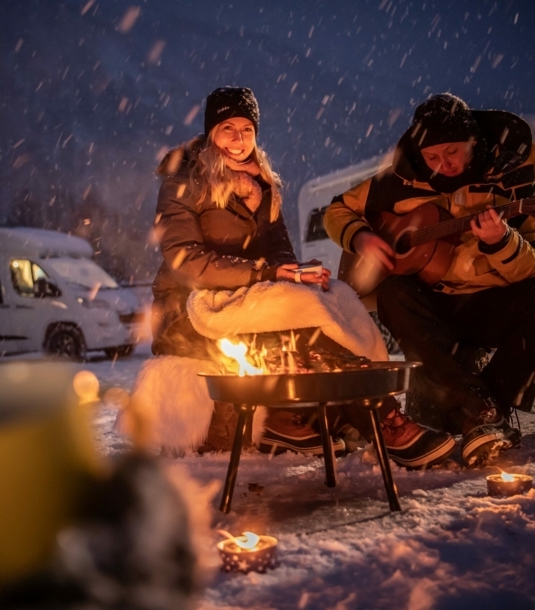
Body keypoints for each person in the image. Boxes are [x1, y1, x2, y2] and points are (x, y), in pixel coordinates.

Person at [151, 85, 453, 467]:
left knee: (329, 300)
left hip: (244, 295)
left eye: (247, 129)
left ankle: (351, 417)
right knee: (300, 319)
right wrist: (267, 273)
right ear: (211, 132)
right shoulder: (185, 181)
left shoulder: (262, 184)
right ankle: (382, 423)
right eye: (228, 128)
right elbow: (185, 260)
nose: (239, 139)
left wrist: (296, 276)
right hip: (187, 306)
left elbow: (279, 250)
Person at [324, 92, 535, 467]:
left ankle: (486, 409)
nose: (443, 165)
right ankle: (480, 415)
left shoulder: (519, 172)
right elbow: (338, 209)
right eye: (432, 157)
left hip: (497, 300)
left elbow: (531, 266)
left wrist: (502, 242)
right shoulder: (401, 177)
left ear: (474, 141)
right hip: (436, 305)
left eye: (452, 152)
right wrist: (361, 236)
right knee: (393, 293)